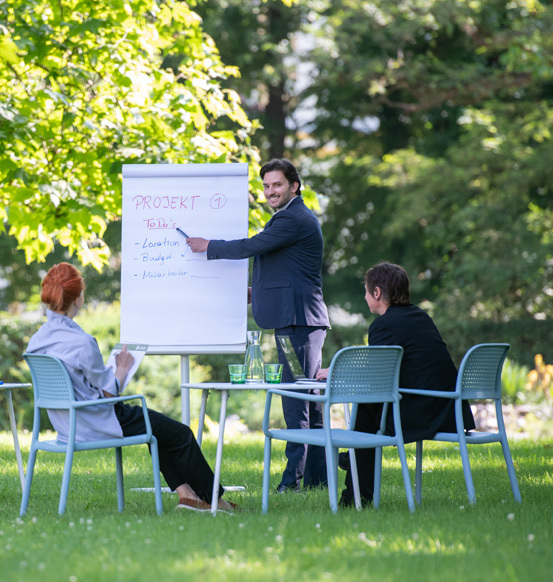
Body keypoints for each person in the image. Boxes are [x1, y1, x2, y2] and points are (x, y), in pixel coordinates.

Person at [26, 263, 237, 512]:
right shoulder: (82, 342)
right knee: (181, 434)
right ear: (79, 298)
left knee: (158, 432)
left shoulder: (36, 340)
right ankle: (216, 501)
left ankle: (187, 495)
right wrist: (122, 368)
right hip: (98, 420)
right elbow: (107, 393)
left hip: (66, 425)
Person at [185, 158, 330, 493]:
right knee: (308, 400)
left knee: (297, 401)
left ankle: (291, 484)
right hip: (299, 322)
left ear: (294, 185)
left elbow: (251, 247)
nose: (270, 192)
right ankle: (317, 480)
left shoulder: (293, 218)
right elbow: (285, 269)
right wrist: (258, 292)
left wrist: (209, 246)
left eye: (276, 185)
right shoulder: (290, 217)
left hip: (298, 323)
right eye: (265, 186)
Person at [316, 262, 476, 507]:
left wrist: (337, 372)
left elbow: (375, 375)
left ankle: (355, 492)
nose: (365, 296)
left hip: (422, 412)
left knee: (365, 409)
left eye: (367, 292)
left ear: (377, 293)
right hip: (448, 409)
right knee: (368, 409)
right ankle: (354, 472)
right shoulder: (421, 316)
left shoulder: (385, 324)